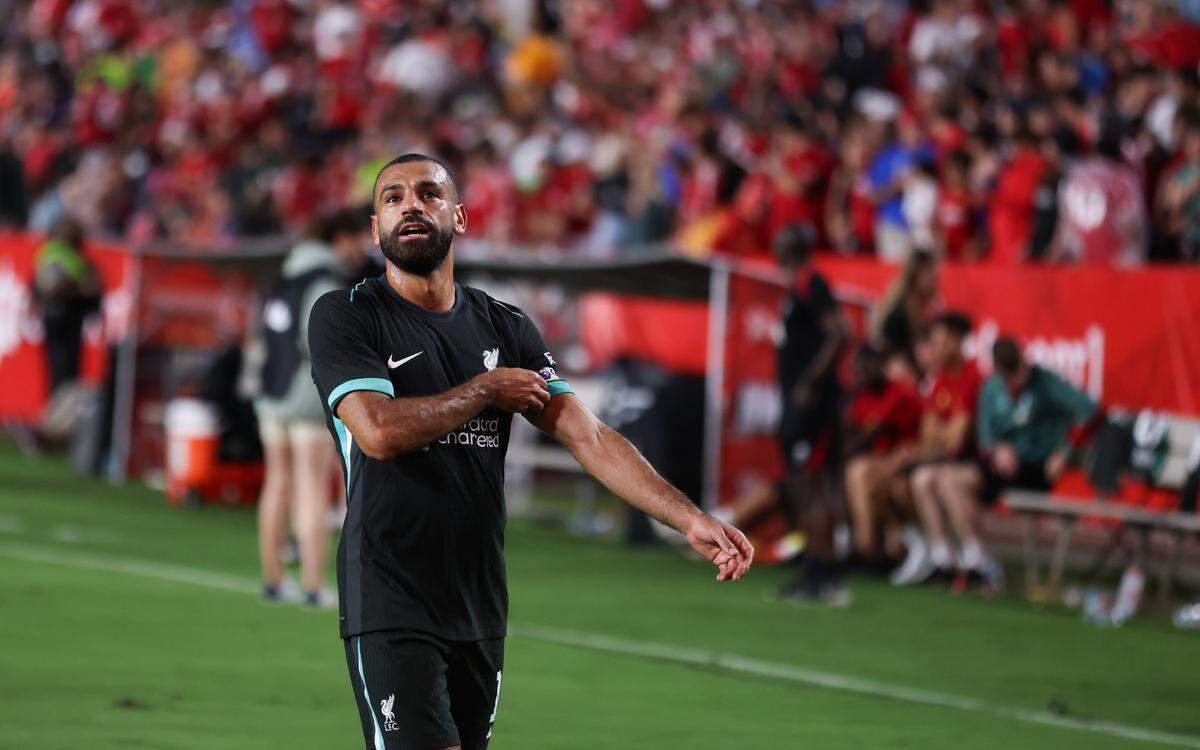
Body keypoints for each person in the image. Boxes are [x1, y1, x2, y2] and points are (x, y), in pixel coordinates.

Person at [307, 154, 753, 750]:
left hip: (479, 599)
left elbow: (587, 434)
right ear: (375, 228)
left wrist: (688, 517)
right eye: (392, 198)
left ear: (459, 216)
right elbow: (378, 433)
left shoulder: (506, 327)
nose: (410, 205)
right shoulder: (347, 315)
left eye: (428, 193)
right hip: (390, 593)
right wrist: (487, 389)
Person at [255, 214, 356, 608]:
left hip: (271, 390)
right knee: (313, 484)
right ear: (338, 239)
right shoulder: (323, 283)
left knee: (277, 481)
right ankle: (314, 585)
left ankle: (274, 580)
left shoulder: (284, 278)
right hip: (305, 395)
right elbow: (322, 346)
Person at [894, 313, 994, 588]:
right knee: (921, 478)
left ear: (958, 341)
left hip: (980, 464)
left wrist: (941, 431)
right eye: (934, 343)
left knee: (944, 480)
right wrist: (940, 433)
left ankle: (976, 559)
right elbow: (930, 437)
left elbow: (955, 441)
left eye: (942, 343)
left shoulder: (974, 377)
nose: (936, 349)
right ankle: (942, 559)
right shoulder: (938, 381)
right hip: (947, 463)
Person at [977, 337, 1100, 504]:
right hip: (1008, 465)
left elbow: (1088, 409)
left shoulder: (1044, 380)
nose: (1018, 378)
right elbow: (985, 436)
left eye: (1019, 369)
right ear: (998, 370)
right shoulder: (991, 389)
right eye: (1010, 374)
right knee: (973, 483)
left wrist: (1063, 452)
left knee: (1017, 487)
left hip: (1041, 463)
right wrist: (998, 450)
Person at [843, 344, 924, 567]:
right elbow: (855, 440)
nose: (860, 374)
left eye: (865, 368)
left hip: (909, 461)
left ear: (881, 367)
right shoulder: (861, 399)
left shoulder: (901, 392)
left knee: (860, 473)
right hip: (883, 462)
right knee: (857, 471)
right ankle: (871, 544)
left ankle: (865, 546)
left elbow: (921, 433)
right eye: (857, 369)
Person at [31, 217, 100, 396]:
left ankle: (61, 405)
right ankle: (61, 409)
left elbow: (37, 285)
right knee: (64, 366)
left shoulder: (47, 253)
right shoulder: (72, 259)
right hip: (64, 317)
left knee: (60, 366)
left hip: (60, 316)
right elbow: (89, 288)